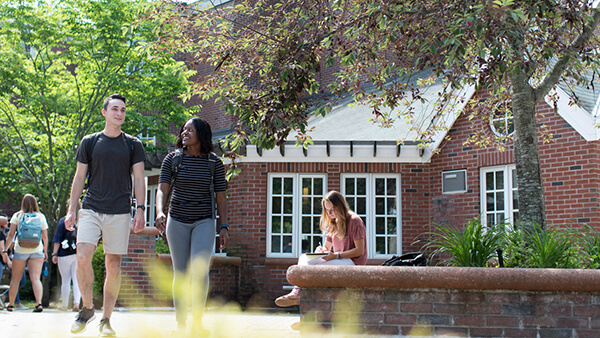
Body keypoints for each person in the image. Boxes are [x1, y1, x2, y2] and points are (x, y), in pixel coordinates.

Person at [65, 93, 146, 337]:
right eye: (114, 109)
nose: (119, 113)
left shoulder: (133, 144)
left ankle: (106, 320)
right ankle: (87, 309)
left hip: (120, 211)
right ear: (105, 112)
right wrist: (71, 209)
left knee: (113, 265)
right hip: (90, 207)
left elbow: (140, 179)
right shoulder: (90, 142)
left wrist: (140, 209)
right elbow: (79, 177)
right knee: (82, 255)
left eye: (122, 109)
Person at [154, 117, 229, 336]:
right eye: (183, 130)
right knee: (181, 272)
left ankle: (197, 321)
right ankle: (180, 323)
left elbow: (221, 197)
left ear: (202, 135)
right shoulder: (173, 159)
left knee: (199, 270)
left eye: (190, 130)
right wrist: (160, 211)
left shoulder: (214, 162)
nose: (184, 133)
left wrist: (223, 225)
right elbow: (162, 189)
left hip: (204, 220)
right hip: (176, 220)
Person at [275, 190, 367, 309]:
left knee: (313, 269)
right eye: (327, 210)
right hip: (338, 259)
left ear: (340, 206)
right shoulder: (333, 222)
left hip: (353, 263)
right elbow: (327, 247)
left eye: (332, 209)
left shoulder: (355, 221)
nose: (330, 213)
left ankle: (300, 300)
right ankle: (297, 294)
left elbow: (360, 251)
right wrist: (321, 250)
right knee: (304, 258)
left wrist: (335, 255)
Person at [2, 194, 49, 312]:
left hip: (20, 250)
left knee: (15, 279)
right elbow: (45, 236)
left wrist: (5, 250)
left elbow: (11, 234)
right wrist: (45, 251)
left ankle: (11, 304)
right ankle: (38, 304)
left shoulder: (17, 215)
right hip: (37, 249)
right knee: (36, 278)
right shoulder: (40, 216)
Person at [51, 201, 81, 312]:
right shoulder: (82, 222)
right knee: (77, 279)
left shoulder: (64, 221)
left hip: (64, 254)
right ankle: (76, 304)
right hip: (78, 254)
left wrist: (54, 253)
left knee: (66, 280)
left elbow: (57, 238)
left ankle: (64, 304)